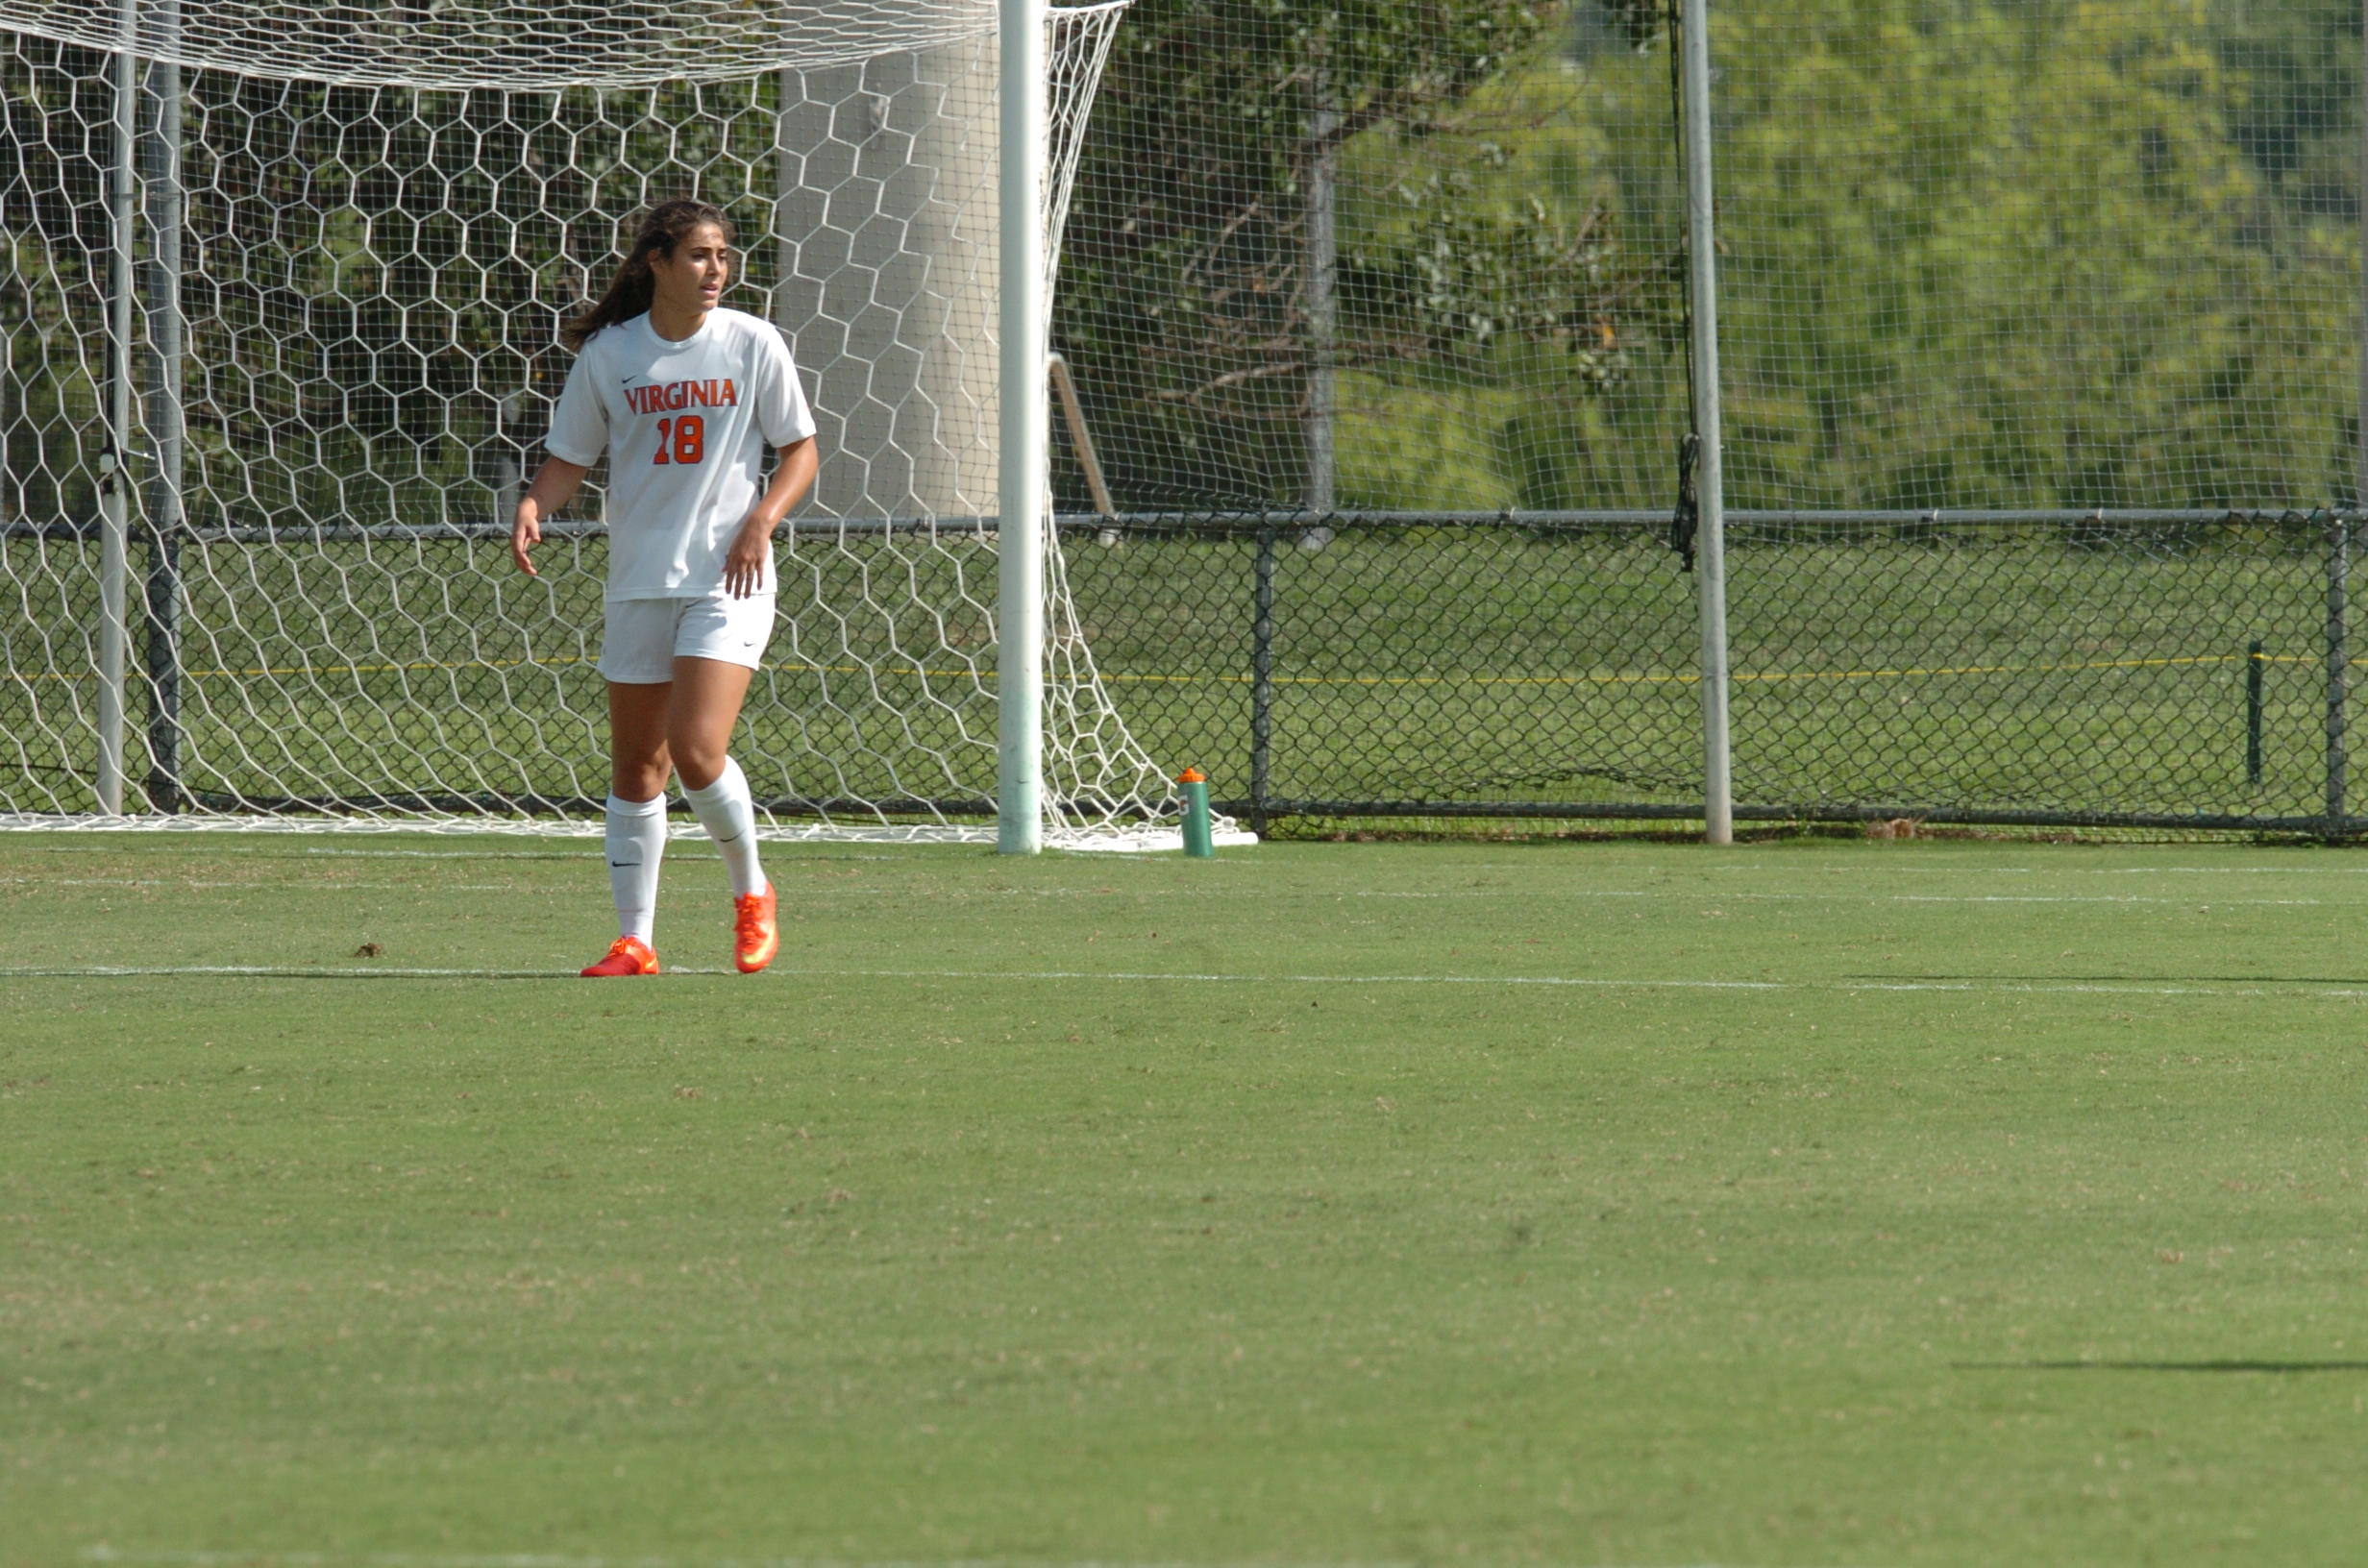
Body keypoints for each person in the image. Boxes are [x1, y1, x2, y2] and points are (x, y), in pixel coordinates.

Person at [509, 198, 819, 977]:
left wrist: (761, 521)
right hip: (639, 581)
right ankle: (635, 941)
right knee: (636, 768)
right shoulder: (611, 353)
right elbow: (571, 457)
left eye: (723, 255)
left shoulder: (752, 342)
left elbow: (802, 452)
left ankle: (752, 891)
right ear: (658, 262)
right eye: (700, 255)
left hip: (729, 577)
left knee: (696, 749)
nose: (717, 269)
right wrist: (534, 504)